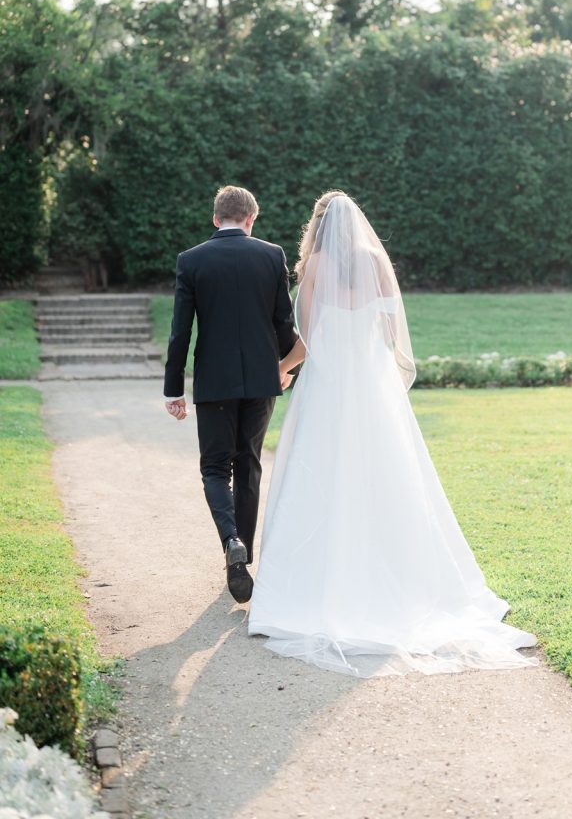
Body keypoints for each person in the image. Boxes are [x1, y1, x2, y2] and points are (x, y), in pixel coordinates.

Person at [248, 191, 537, 677]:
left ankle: (316, 583)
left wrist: (283, 367)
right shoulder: (376, 262)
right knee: (386, 476)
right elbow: (388, 331)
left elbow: (309, 338)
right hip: (372, 387)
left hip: (330, 386)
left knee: (320, 475)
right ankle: (397, 579)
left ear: (318, 226)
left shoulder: (315, 265)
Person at [164, 185, 295, 604]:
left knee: (215, 468)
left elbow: (180, 331)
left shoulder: (191, 260)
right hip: (261, 380)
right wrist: (290, 370)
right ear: (251, 218)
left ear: (215, 218)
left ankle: (230, 542)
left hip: (214, 382)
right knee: (249, 463)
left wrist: (173, 389)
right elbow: (283, 322)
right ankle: (244, 560)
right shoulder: (272, 255)